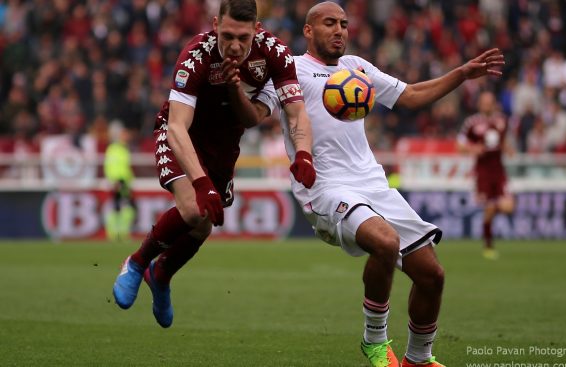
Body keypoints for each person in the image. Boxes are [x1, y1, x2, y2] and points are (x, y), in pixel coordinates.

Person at [265, 2, 504, 366]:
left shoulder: (356, 67)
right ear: (309, 31)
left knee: (432, 275)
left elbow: (409, 96)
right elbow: (256, 111)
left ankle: (418, 359)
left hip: (373, 183)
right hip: (326, 186)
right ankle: (374, 341)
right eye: (329, 23)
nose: (339, 30)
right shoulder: (291, 70)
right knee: (386, 243)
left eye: (344, 24)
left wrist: (461, 74)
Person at [112, 0, 316, 328]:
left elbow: (295, 112)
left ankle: (161, 275)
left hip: (223, 145)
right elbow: (177, 125)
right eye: (228, 35)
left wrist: (304, 152)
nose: (234, 46)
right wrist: (201, 182)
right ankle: (136, 263)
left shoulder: (275, 54)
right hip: (182, 135)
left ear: (257, 30)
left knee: (203, 224)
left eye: (243, 38)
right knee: (194, 208)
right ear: (215, 23)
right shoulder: (196, 55)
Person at [457, 91, 514, 260]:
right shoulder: (472, 123)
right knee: (489, 207)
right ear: (480, 104)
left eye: (490, 102)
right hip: (482, 171)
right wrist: (473, 149)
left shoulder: (502, 120)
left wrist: (507, 148)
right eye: (484, 102)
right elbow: (459, 145)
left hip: (499, 170)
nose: (487, 105)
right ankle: (488, 246)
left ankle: (489, 219)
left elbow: (502, 141)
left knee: (508, 207)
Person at [103, 121, 137, 242]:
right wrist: (115, 181)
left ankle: (118, 233)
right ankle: (117, 233)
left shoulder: (122, 148)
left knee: (121, 207)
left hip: (123, 182)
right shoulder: (115, 149)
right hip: (119, 182)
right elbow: (111, 167)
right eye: (124, 133)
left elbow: (124, 167)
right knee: (124, 208)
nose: (126, 135)